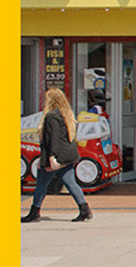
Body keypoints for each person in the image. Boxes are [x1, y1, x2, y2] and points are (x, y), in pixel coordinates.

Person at [21, 88, 92, 223]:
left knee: (41, 184)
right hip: (68, 155)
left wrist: (52, 157)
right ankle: (85, 210)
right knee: (71, 183)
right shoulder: (67, 115)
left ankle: (34, 212)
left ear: (51, 101)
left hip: (55, 156)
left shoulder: (52, 116)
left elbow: (52, 138)